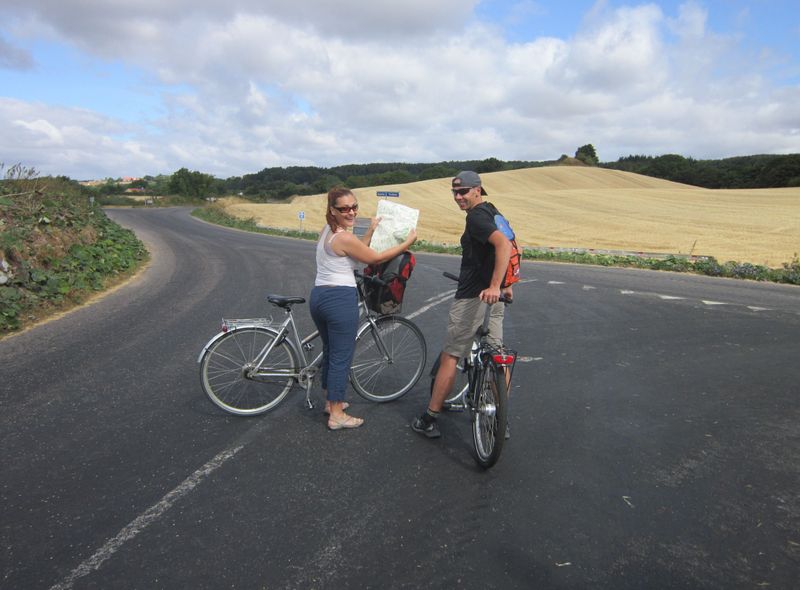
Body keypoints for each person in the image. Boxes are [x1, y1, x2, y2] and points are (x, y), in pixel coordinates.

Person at [411, 171, 513, 439]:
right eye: (455, 193)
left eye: (464, 191)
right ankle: (500, 420)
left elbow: (503, 245)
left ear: (478, 190)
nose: (458, 197)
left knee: (451, 355)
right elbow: (513, 246)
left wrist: (491, 286)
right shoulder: (494, 212)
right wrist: (505, 284)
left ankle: (430, 417)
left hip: (474, 297)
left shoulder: (477, 217)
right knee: (497, 356)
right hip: (496, 296)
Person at [311, 186, 417, 431]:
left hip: (319, 296)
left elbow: (356, 253)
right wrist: (408, 243)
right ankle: (336, 414)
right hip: (339, 299)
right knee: (341, 357)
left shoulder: (328, 231)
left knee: (331, 350)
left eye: (354, 207)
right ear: (332, 210)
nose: (351, 212)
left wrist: (370, 229)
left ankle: (331, 403)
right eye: (344, 208)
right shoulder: (344, 237)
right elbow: (374, 258)